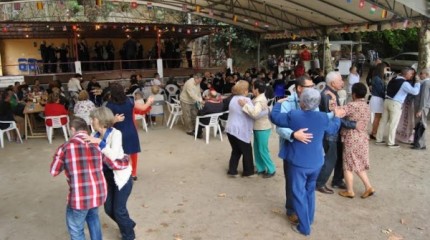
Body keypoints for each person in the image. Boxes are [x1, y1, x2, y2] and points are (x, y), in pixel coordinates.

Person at [270, 88, 341, 236]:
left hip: (298, 163)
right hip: (316, 162)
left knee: (298, 193)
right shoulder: (322, 117)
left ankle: (304, 227)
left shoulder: (294, 115)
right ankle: (309, 219)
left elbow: (275, 117)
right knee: (309, 190)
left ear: (301, 102)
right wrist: (337, 115)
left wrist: (278, 103)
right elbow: (333, 129)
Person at [50, 117, 129, 240]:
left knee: (76, 229)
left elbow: (54, 171)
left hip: (79, 197)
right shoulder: (97, 145)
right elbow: (115, 164)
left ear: (72, 129)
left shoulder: (65, 147)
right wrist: (125, 158)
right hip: (98, 193)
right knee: (93, 218)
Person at [85, 107, 136, 240]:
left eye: (93, 119)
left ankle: (129, 235)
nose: (91, 121)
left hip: (121, 177)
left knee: (119, 211)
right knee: (108, 210)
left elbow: (113, 155)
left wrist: (100, 143)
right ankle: (128, 224)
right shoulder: (94, 134)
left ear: (101, 120)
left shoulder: (116, 134)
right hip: (107, 178)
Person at [275, 75, 315, 224]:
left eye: (313, 87)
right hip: (291, 148)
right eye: (309, 87)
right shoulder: (286, 103)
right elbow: (279, 127)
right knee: (292, 182)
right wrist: (293, 134)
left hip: (309, 149)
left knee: (307, 183)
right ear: (299, 88)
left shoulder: (313, 101)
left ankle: (304, 210)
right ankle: (291, 209)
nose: (312, 90)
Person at [106, 83, 154, 181]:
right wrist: (149, 101)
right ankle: (134, 173)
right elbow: (144, 108)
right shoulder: (130, 101)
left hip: (117, 132)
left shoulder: (109, 105)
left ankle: (122, 171)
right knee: (133, 153)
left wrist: (114, 120)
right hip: (131, 130)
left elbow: (106, 121)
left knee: (119, 153)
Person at [336, 83, 375, 199]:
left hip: (351, 137)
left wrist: (333, 101)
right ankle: (368, 187)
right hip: (363, 137)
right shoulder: (367, 106)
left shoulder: (351, 106)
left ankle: (350, 190)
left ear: (353, 94)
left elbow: (337, 113)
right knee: (359, 164)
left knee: (348, 165)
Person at [316, 71, 349, 194]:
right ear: (333, 82)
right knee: (331, 157)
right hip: (330, 131)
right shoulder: (328, 95)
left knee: (339, 155)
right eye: (340, 80)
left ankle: (337, 180)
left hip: (335, 129)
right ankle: (320, 183)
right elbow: (334, 114)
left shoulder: (332, 93)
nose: (342, 82)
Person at [375, 67, 421, 148]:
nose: (412, 76)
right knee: (393, 124)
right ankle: (390, 142)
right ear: (406, 74)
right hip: (395, 103)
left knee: (383, 122)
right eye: (411, 74)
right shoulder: (404, 83)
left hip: (387, 101)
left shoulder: (393, 79)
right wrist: (417, 82)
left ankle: (378, 139)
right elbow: (415, 92)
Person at [239, 80, 276, 178]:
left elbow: (255, 113)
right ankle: (261, 168)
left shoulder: (260, 100)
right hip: (258, 127)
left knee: (262, 149)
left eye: (253, 87)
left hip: (263, 128)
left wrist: (244, 105)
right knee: (257, 149)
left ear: (257, 89)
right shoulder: (259, 97)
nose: (252, 89)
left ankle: (271, 169)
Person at [226, 80, 255, 178]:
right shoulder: (246, 100)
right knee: (247, 151)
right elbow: (254, 114)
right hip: (240, 130)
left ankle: (232, 170)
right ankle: (248, 172)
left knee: (236, 150)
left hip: (230, 128)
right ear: (246, 91)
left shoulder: (232, 98)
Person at [412, 68, 430, 150]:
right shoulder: (425, 82)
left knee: (421, 125)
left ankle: (420, 143)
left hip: (422, 107)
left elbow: (424, 98)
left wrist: (420, 110)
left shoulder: (426, 83)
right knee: (419, 125)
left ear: (426, 74)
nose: (420, 75)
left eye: (421, 73)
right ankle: (419, 142)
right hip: (421, 107)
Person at [369, 63, 387, 139]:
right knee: (377, 117)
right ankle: (374, 132)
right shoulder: (377, 79)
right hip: (378, 98)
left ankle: (374, 131)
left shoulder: (377, 78)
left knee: (377, 117)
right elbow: (380, 91)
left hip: (377, 98)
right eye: (385, 69)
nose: (386, 71)